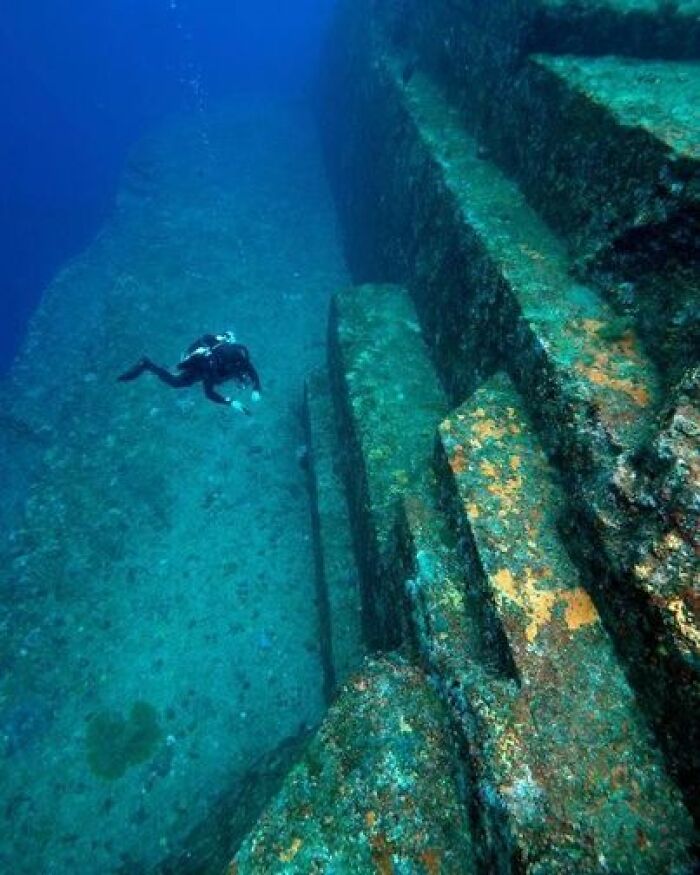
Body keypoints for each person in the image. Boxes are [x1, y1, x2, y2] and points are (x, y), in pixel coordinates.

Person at [118, 331, 261, 414]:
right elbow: (209, 393)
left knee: (178, 380)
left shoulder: (238, 362)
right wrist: (230, 402)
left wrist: (256, 388)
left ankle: (156, 366)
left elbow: (251, 370)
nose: (241, 382)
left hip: (208, 365)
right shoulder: (217, 366)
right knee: (176, 382)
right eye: (242, 381)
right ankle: (146, 364)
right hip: (200, 366)